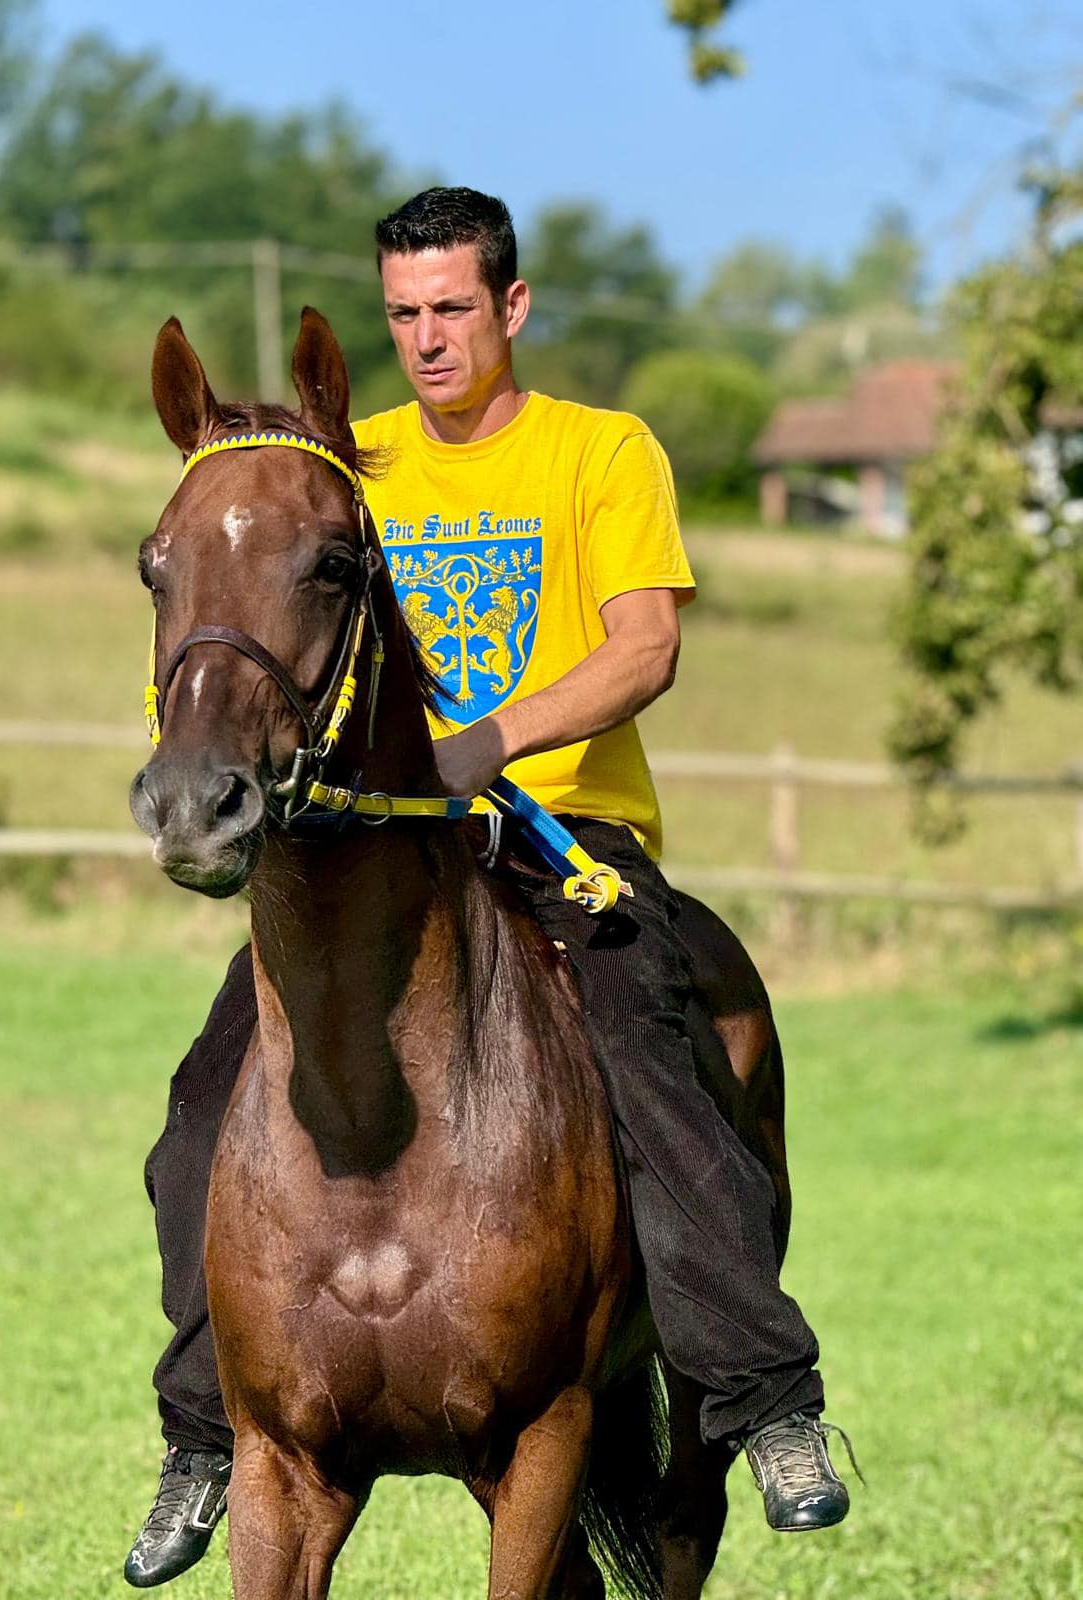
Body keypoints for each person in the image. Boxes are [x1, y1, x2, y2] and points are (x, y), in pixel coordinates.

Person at [124, 187, 852, 1589]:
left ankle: (766, 1398)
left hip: (561, 836)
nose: (427, 338)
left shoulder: (599, 452)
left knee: (658, 1058)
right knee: (202, 1104)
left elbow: (644, 648)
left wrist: (489, 742)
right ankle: (204, 1429)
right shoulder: (340, 462)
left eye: (451, 307)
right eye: (402, 313)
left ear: (509, 307)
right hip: (368, 847)